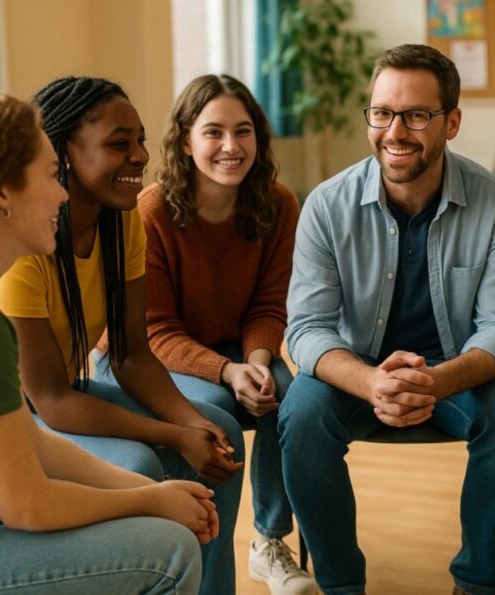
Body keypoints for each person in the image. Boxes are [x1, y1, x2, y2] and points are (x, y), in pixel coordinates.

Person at [279, 44, 495, 595]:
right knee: (302, 415)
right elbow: (306, 328)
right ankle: (340, 586)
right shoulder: (325, 205)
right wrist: (371, 381)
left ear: (452, 122)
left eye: (416, 115)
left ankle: (476, 585)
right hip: (357, 371)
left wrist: (437, 381)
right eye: (382, 113)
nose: (395, 131)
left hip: (456, 372)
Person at [0, 93, 209, 594]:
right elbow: (26, 505)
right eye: (48, 175)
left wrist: (155, 491)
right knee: (171, 551)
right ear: (1, 192)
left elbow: (33, 443)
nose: (62, 195)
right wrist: (150, 501)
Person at [0, 76, 245, 595]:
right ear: (64, 150)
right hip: (19, 414)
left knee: (221, 429)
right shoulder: (25, 243)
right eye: (118, 143)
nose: (140, 156)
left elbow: (131, 356)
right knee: (141, 463)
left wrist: (192, 423)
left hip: (66, 394)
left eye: (140, 140)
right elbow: (50, 400)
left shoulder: (121, 220)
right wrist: (174, 435)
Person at [121, 73, 313, 595]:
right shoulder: (152, 212)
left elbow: (270, 304)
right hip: (160, 356)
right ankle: (203, 566)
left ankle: (269, 542)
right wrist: (227, 372)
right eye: (213, 132)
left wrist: (257, 362)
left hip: (238, 345)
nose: (231, 146)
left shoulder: (279, 203)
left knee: (290, 397)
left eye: (243, 131)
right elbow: (154, 329)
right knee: (217, 413)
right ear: (186, 141)